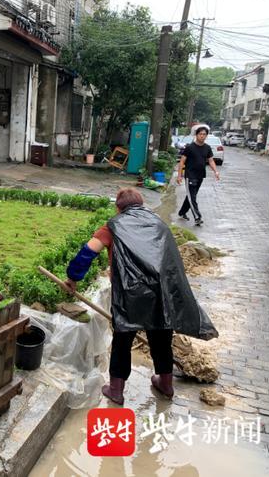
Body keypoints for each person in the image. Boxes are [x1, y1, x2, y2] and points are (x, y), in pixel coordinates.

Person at [64, 188, 218, 406]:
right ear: (142, 204)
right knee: (161, 337)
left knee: (123, 339)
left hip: (130, 293)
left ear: (118, 207)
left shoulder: (112, 226)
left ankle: (116, 389)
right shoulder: (158, 224)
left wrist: (73, 277)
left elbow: (88, 252)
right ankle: (166, 384)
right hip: (161, 292)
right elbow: (168, 262)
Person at [176, 126, 220, 226]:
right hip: (190, 175)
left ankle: (182, 212)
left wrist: (216, 171)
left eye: (204, 134)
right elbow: (182, 161)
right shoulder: (190, 147)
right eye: (200, 134)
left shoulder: (207, 148)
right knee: (192, 197)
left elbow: (211, 160)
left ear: (206, 136)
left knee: (191, 197)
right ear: (196, 135)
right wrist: (180, 176)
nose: (202, 136)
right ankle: (197, 217)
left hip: (200, 175)